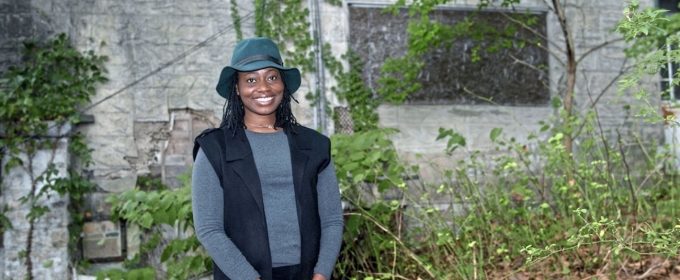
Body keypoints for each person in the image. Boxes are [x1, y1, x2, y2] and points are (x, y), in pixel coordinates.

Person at [191, 36, 344, 280]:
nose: (263, 87)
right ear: (237, 88)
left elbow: (333, 220)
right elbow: (208, 229)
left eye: (272, 77)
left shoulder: (315, 146)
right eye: (251, 79)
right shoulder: (214, 148)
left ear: (283, 84)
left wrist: (321, 273)